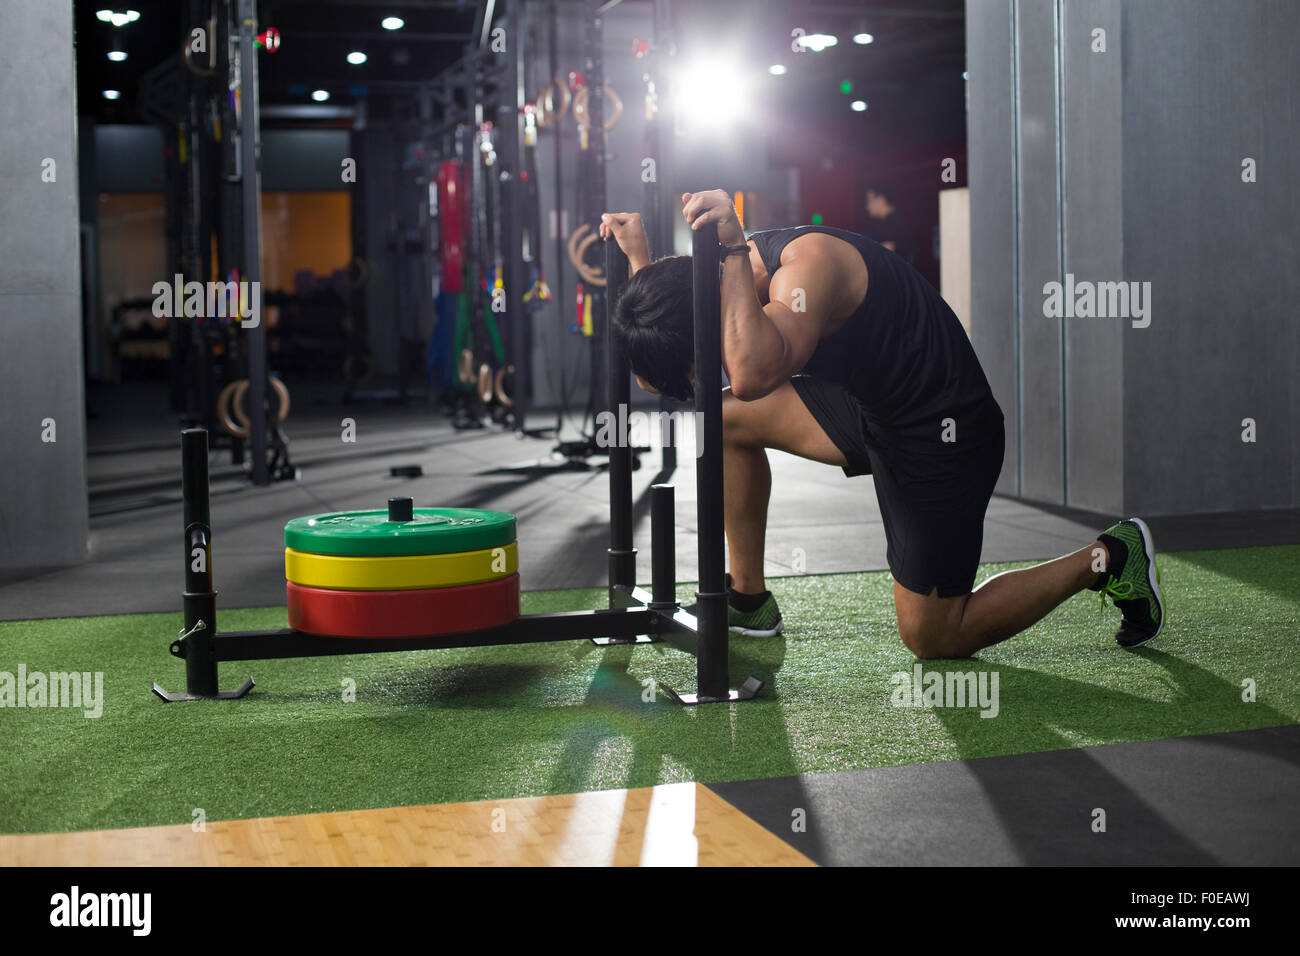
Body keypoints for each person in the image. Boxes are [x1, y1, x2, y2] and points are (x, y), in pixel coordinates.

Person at [597, 191, 1164, 658]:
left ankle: (1111, 556)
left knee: (934, 637)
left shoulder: (805, 271)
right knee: (723, 420)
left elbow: (751, 373)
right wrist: (643, 266)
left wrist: (727, 246)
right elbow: (704, 319)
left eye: (703, 359)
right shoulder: (726, 278)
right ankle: (748, 599)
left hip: (941, 431)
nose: (709, 369)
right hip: (866, 407)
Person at [861, 183, 914, 263]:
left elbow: (884, 255)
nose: (867, 207)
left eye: (868, 201)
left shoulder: (890, 224)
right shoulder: (898, 220)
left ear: (880, 200)